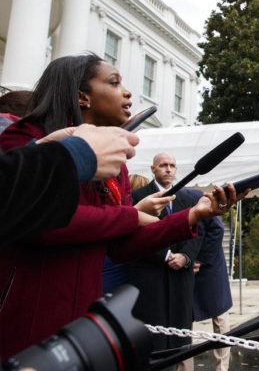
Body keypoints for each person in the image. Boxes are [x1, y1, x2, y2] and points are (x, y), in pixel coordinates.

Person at [0, 54, 240, 359]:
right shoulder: (27, 137)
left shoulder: (118, 167)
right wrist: (130, 215)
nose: (128, 92)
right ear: (81, 96)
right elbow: (49, 224)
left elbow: (122, 247)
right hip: (25, 319)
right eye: (114, 82)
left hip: (83, 326)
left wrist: (193, 215)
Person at [0, 124, 139, 243]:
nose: (127, 93)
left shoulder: (114, 162)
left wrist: (41, 147)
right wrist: (76, 155)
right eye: (115, 89)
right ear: (81, 96)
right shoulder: (26, 129)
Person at [129, 153, 202, 371]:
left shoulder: (188, 199)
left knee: (180, 343)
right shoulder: (138, 197)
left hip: (181, 280)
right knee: (155, 344)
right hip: (152, 279)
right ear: (153, 169)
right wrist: (167, 255)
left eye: (172, 165)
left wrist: (186, 257)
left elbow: (200, 232)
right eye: (163, 165)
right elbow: (135, 233)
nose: (168, 169)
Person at [192, 208, 233, 371]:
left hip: (211, 268)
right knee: (184, 318)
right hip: (186, 265)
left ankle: (221, 368)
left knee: (220, 317)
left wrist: (200, 259)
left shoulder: (200, 199)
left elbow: (217, 229)